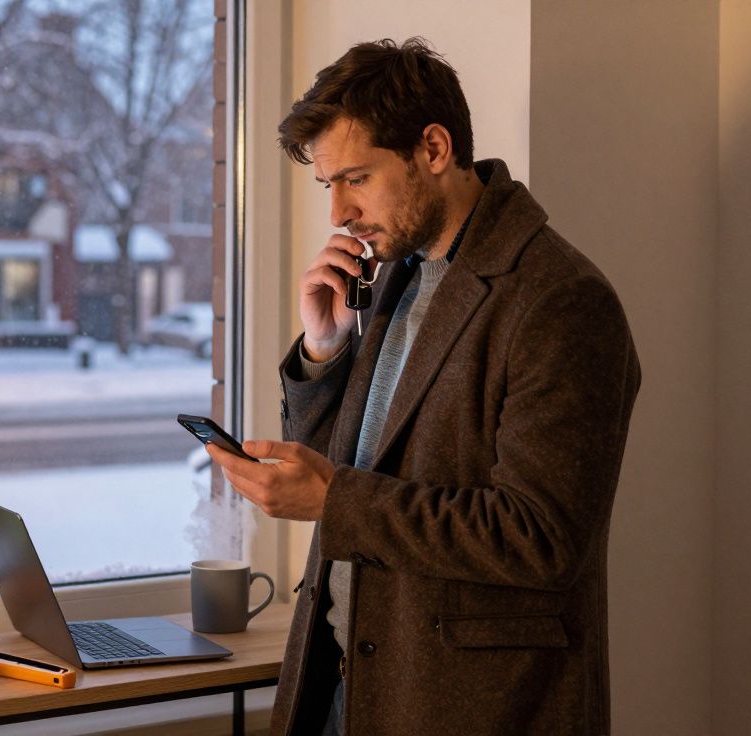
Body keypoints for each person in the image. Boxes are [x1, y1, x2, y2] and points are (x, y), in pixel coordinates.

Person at [204, 38, 640, 736]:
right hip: (344, 683)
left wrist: (334, 499)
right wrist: (324, 346)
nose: (338, 213)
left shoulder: (560, 300)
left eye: (356, 178)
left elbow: (540, 539)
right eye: (328, 187)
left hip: (470, 705)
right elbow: (349, 470)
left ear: (434, 150)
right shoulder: (396, 275)